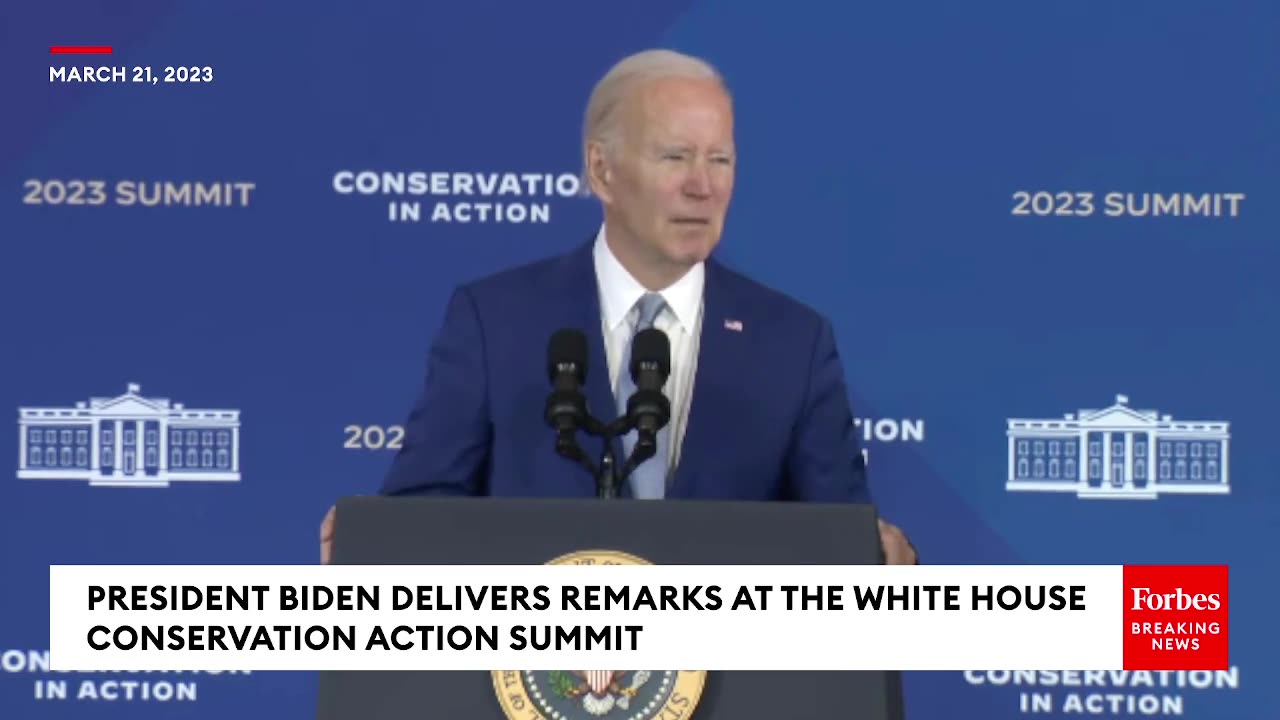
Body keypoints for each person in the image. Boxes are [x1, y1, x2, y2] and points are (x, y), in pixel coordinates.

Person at [320, 48, 916, 565]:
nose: (702, 186)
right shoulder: (495, 322)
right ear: (602, 170)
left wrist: (879, 553)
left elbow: (840, 539)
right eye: (675, 157)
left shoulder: (792, 342)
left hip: (733, 690)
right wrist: (377, 543)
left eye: (720, 159)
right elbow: (422, 513)